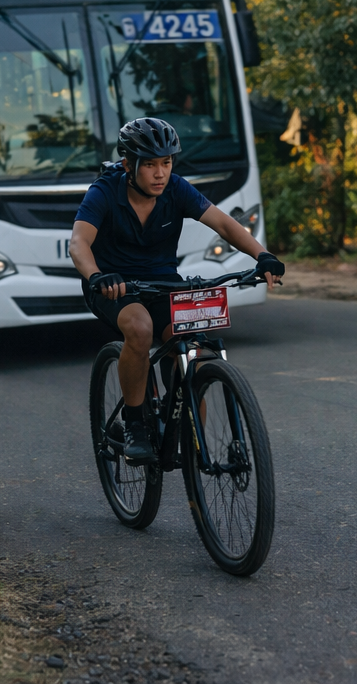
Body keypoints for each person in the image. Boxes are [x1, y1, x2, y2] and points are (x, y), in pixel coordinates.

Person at [70, 117, 284, 464]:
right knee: (140, 330)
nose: (160, 173)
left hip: (163, 281)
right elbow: (79, 242)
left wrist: (262, 255)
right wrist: (97, 275)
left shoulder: (177, 189)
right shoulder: (105, 191)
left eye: (166, 163)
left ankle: (187, 431)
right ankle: (136, 423)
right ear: (128, 165)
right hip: (113, 285)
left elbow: (225, 224)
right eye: (151, 164)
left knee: (191, 346)